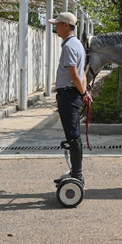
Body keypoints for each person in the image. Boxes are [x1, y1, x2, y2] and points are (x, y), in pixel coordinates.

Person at [49, 12, 91, 185]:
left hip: (69, 94)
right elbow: (83, 73)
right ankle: (75, 171)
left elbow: (74, 74)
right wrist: (85, 92)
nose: (55, 27)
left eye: (58, 24)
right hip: (72, 93)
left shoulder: (69, 46)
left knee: (73, 136)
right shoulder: (78, 45)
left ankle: (78, 175)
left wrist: (82, 93)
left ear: (66, 25)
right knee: (73, 135)